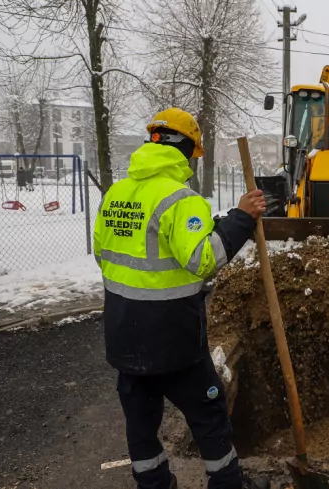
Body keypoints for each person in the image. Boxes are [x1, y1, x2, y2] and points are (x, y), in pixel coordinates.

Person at [93, 107, 269, 489]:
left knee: (140, 424)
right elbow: (202, 261)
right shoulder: (180, 199)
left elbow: (103, 255)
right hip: (172, 339)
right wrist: (240, 218)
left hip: (124, 335)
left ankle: (155, 485)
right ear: (188, 148)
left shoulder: (117, 193)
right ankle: (227, 485)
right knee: (208, 414)